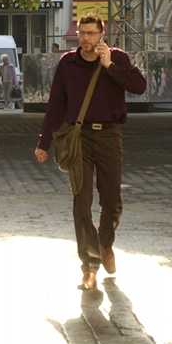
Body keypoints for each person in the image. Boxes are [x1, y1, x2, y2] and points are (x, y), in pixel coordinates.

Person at [34, 15, 145, 292]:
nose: (86, 39)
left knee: (112, 201)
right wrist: (43, 142)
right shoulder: (67, 63)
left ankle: (105, 242)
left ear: (102, 34)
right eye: (82, 33)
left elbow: (139, 87)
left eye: (92, 34)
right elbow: (56, 104)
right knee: (81, 203)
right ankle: (89, 267)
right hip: (79, 138)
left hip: (109, 135)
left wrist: (109, 67)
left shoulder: (117, 57)